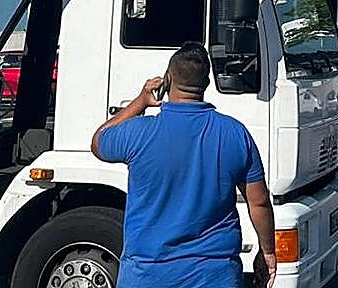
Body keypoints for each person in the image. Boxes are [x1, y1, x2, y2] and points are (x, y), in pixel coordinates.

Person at [91, 41, 278, 287]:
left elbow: (98, 141)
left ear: (167, 80)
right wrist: (267, 253)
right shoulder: (235, 133)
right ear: (207, 84)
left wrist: (140, 101)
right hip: (215, 275)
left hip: (147, 275)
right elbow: (259, 202)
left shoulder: (139, 133)